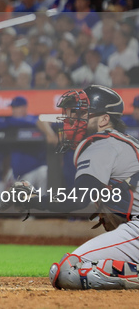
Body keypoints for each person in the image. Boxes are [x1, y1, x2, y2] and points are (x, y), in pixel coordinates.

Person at [11, 85, 139, 290]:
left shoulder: (100, 143)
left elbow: (75, 200)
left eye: (81, 114)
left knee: (68, 270)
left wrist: (32, 198)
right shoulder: (122, 143)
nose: (72, 120)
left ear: (104, 120)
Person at [0, 96, 58, 191]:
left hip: (37, 169)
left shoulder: (34, 119)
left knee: (44, 173)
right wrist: (48, 132)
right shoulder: (12, 122)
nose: (14, 110)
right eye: (13, 108)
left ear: (24, 108)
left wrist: (49, 132)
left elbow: (40, 120)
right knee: (22, 203)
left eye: (17, 107)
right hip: (21, 175)